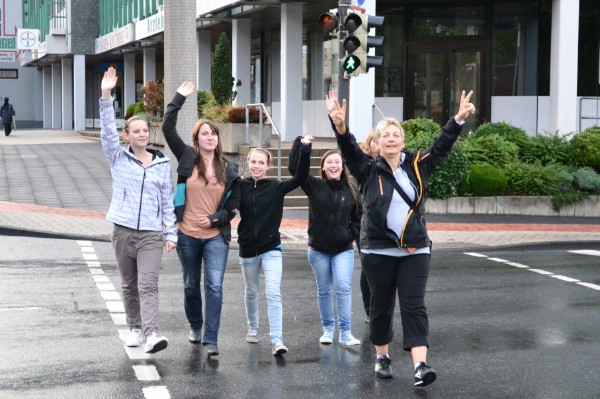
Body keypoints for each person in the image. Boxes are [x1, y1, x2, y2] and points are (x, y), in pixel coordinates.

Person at [326, 89, 475, 386]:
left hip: (415, 249)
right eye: (386, 135)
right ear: (377, 144)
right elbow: (348, 148)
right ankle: (382, 357)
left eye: (396, 134)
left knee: (414, 305)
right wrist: (340, 126)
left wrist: (457, 119)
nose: (391, 139)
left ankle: (420, 366)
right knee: (381, 305)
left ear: (403, 141)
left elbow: (442, 145)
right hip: (377, 250)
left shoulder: (418, 165)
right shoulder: (367, 170)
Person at [99, 67, 177, 354]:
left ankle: (152, 333)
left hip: (152, 235)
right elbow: (107, 133)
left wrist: (172, 233)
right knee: (129, 284)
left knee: (148, 283)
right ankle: (134, 328)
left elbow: (167, 202)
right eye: (136, 130)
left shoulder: (161, 164)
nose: (142, 134)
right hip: (123, 231)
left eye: (145, 130)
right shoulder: (118, 158)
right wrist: (107, 95)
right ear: (127, 135)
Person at [162, 82, 241, 358]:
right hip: (186, 233)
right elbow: (167, 128)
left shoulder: (230, 168)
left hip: (215, 236)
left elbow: (233, 204)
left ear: (218, 140)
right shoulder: (187, 158)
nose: (210, 137)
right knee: (189, 284)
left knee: (215, 286)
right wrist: (179, 98)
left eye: (213, 134)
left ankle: (211, 339)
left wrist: (218, 218)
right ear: (197, 140)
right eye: (205, 133)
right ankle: (196, 325)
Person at [238, 140, 311, 357]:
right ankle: (253, 327)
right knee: (251, 291)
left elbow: (300, 177)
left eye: (261, 162)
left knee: (273, 292)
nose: (257, 166)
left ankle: (277, 339)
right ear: (248, 163)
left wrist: (304, 149)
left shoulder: (276, 187)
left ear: (268, 166)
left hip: (271, 248)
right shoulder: (240, 185)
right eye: (253, 162)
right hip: (248, 248)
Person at [288, 141, 361, 346]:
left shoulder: (352, 190)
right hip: (318, 250)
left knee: (343, 287)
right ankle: (328, 329)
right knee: (324, 289)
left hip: (342, 249)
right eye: (329, 162)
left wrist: (350, 235)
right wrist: (302, 146)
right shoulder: (314, 186)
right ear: (323, 167)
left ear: (342, 166)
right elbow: (294, 168)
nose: (333, 165)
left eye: (337, 161)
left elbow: (359, 217)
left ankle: (346, 332)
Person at [358, 129, 379, 322]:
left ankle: (381, 309)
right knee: (367, 269)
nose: (378, 144)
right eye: (375, 140)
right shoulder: (363, 165)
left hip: (388, 229)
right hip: (363, 224)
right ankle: (369, 310)